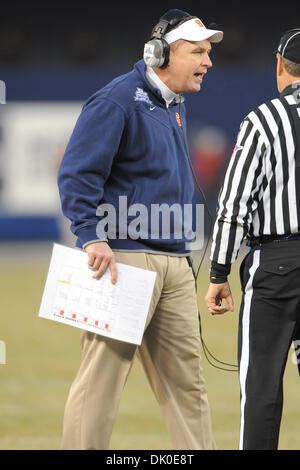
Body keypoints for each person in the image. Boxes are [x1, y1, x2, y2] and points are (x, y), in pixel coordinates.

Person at [57, 9, 223, 450]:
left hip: (174, 261)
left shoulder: (174, 106)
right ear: (160, 52)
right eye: (198, 52)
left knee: (189, 388)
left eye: (209, 52)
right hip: (124, 259)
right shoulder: (116, 99)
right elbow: (77, 174)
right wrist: (91, 236)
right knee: (101, 384)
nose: (208, 62)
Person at [205, 29, 300, 450]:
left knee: (261, 384)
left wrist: (218, 271)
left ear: (280, 66)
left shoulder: (264, 120)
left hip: (278, 264)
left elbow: (234, 205)